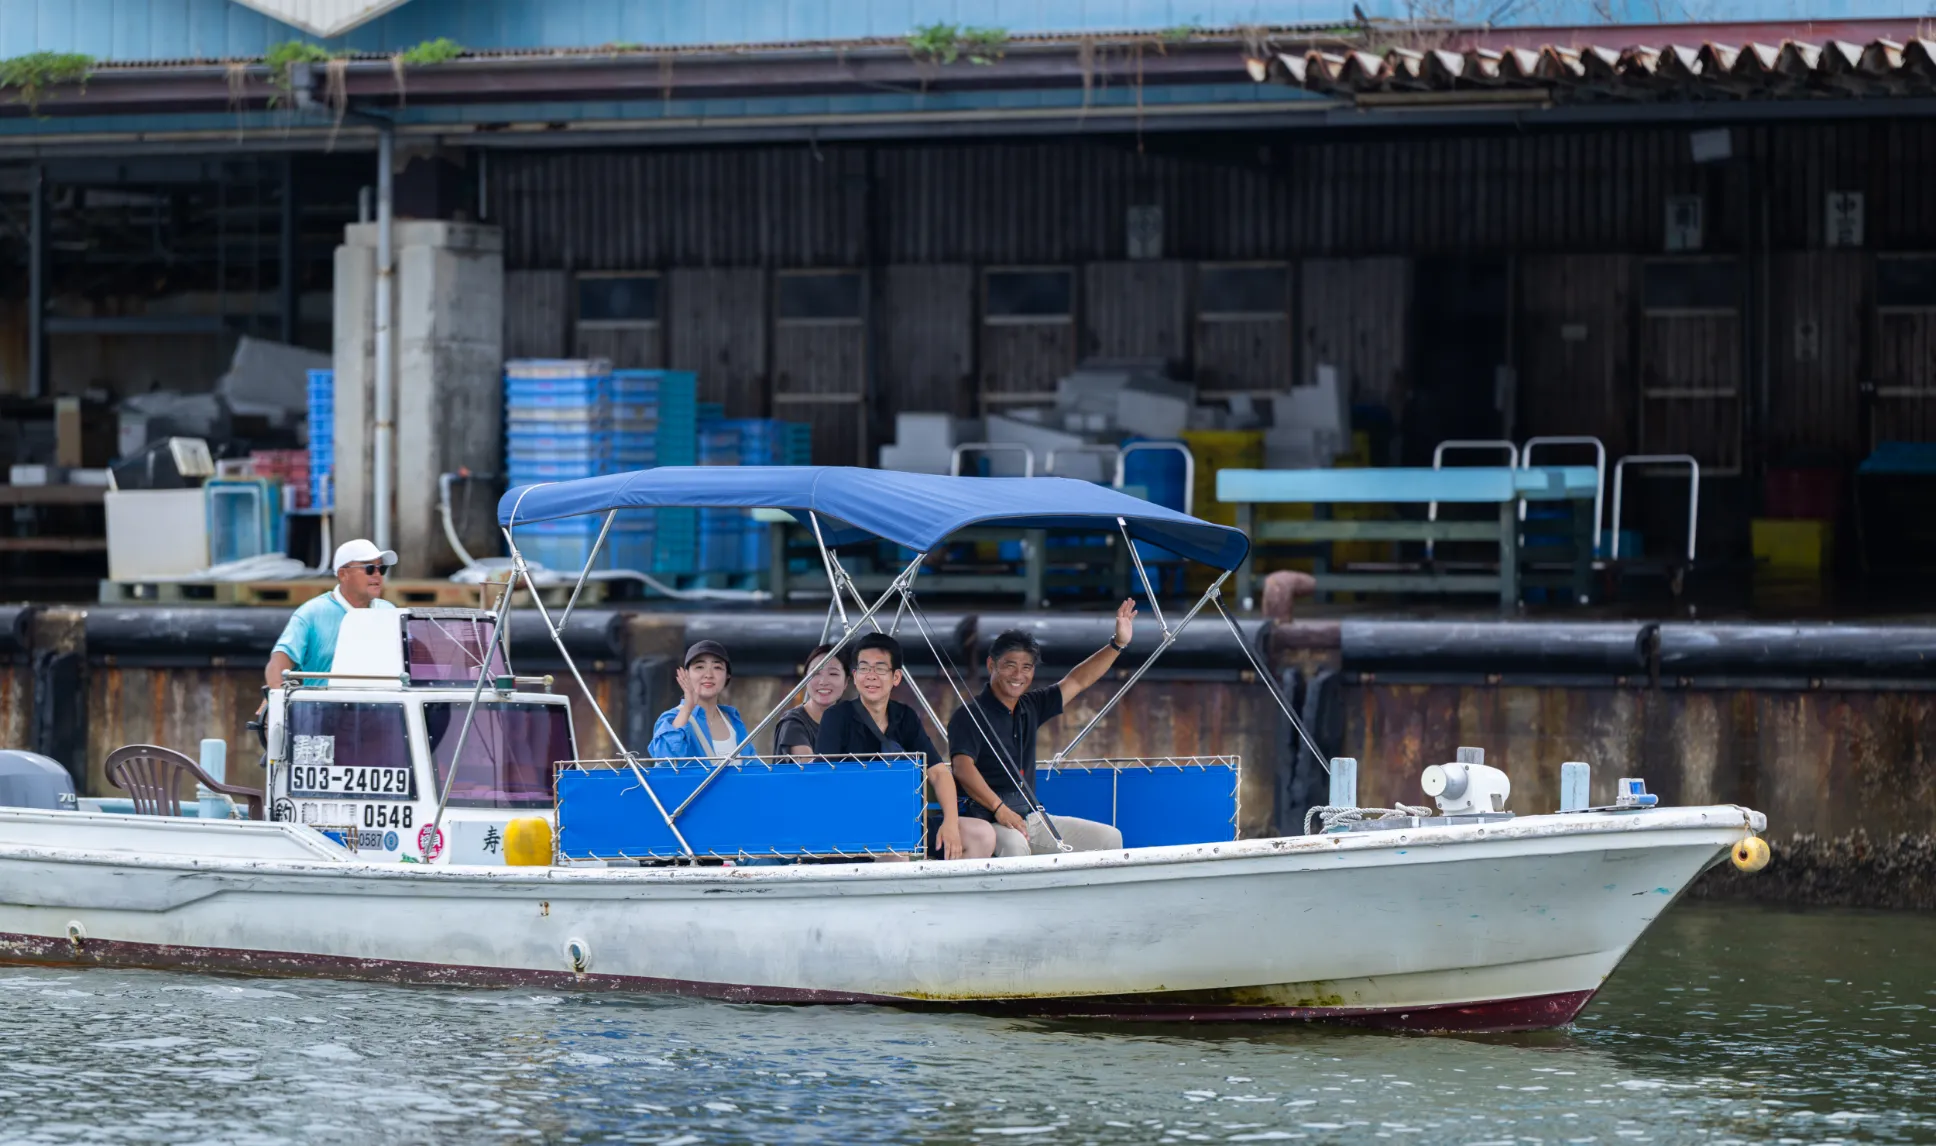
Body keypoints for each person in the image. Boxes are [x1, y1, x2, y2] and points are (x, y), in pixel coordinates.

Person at [948, 599, 1137, 857]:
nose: (1018, 675)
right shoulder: (968, 715)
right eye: (1010, 665)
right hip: (988, 820)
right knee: (1015, 846)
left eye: (1026, 667)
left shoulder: (1031, 705)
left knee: (1109, 838)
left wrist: (1118, 643)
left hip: (1030, 818)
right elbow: (962, 768)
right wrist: (999, 807)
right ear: (992, 665)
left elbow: (1078, 680)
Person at [815, 633, 994, 861]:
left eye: (880, 669)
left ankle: (944, 895)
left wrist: (950, 822)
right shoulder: (836, 718)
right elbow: (824, 781)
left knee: (982, 835)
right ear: (855, 675)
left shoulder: (906, 717)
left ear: (896, 677)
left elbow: (939, 773)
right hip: (853, 828)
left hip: (904, 822)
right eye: (864, 668)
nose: (871, 676)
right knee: (897, 849)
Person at [263, 539, 399, 695]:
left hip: (384, 713)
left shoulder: (389, 611)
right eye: (369, 568)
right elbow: (278, 663)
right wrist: (275, 698)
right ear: (343, 574)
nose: (377, 575)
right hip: (323, 714)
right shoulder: (312, 613)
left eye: (381, 569)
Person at [648, 640, 748, 761]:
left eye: (717, 667)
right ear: (686, 674)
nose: (708, 674)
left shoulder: (733, 718)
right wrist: (688, 708)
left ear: (727, 675)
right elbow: (664, 759)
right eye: (699, 667)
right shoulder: (671, 718)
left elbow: (753, 765)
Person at [774, 643, 850, 759]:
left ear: (846, 682)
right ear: (805, 679)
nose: (823, 681)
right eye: (816, 673)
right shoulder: (793, 723)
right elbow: (808, 767)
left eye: (833, 674)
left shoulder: (851, 721)